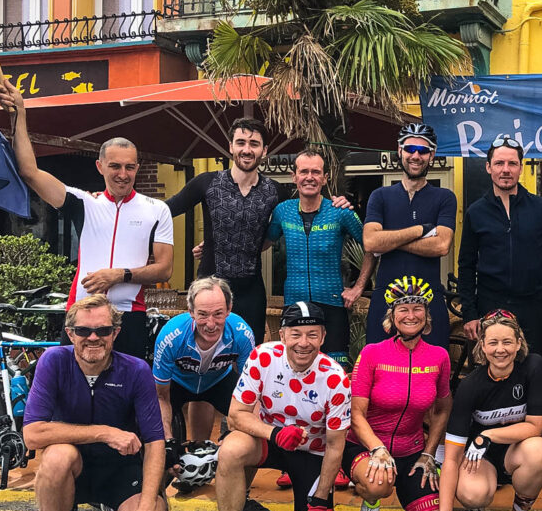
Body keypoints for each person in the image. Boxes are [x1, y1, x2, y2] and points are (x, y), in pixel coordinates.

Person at [0, 80, 173, 361]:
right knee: (72, 396)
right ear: (100, 166)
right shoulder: (85, 203)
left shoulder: (156, 209)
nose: (123, 174)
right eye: (115, 166)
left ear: (138, 167)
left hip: (129, 315)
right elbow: (30, 172)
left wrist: (120, 275)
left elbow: (164, 269)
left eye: (130, 167)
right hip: (82, 311)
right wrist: (19, 113)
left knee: (124, 399)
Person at [188, 302, 351, 511]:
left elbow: (335, 446)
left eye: (312, 335)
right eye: (296, 335)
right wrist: (275, 433)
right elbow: (237, 414)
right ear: (283, 335)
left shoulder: (336, 379)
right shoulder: (262, 357)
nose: (304, 343)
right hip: (270, 441)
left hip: (312, 453)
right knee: (230, 449)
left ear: (323, 337)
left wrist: (321, 500)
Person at [23, 295, 168, 511]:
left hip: (119, 467)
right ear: (69, 333)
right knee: (55, 457)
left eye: (103, 331)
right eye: (83, 331)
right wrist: (104, 432)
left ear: (115, 333)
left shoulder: (136, 369)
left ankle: (113, 508)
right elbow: (32, 434)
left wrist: (145, 509)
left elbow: (155, 442)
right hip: (73, 467)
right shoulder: (53, 361)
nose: (93, 338)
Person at [171, 122, 356, 342]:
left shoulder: (275, 191)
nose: (247, 150)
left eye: (254, 144)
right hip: (210, 287)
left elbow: (305, 210)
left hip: (251, 291)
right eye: (241, 143)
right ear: (231, 146)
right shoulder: (207, 183)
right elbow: (165, 210)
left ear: (264, 150)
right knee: (205, 349)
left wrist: (337, 202)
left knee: (251, 354)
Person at [457, 136, 542, 488]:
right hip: (490, 307)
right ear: (488, 168)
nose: (506, 169)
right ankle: (484, 455)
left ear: (522, 168)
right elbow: (466, 263)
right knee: (488, 384)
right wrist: (471, 312)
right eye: (499, 163)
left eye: (512, 163)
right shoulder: (475, 211)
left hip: (534, 305)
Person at [344, 276, 452, 511]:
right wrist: (378, 450)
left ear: (427, 316)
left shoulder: (439, 357)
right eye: (403, 309)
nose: (411, 315)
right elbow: (356, 414)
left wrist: (429, 452)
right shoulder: (372, 353)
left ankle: (406, 489)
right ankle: (371, 503)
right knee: (379, 482)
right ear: (392, 316)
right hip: (366, 448)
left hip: (410, 452)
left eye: (418, 309)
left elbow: (443, 408)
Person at [433, 310, 542, 511]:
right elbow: (452, 458)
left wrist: (488, 436)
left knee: (539, 450)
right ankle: (474, 509)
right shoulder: (470, 386)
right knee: (473, 494)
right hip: (480, 458)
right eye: (493, 343)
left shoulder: (533, 366)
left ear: (519, 343)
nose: (501, 349)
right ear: (482, 346)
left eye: (507, 342)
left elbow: (535, 426)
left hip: (514, 450)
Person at [151, 277, 263, 511]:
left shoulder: (242, 333)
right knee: (159, 441)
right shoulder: (171, 335)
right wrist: (169, 441)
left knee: (253, 430)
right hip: (178, 384)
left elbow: (252, 394)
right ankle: (154, 498)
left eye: (218, 314)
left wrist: (238, 433)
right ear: (190, 311)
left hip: (218, 380)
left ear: (230, 309)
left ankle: (241, 496)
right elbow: (160, 397)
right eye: (202, 315)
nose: (211, 324)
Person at [267, 150, 375, 368]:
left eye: (316, 172)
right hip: (294, 302)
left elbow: (372, 247)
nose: (309, 177)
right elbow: (263, 243)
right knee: (293, 369)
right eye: (304, 171)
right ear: (294, 176)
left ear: (325, 178)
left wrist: (358, 287)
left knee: (335, 371)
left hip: (332, 303)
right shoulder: (282, 211)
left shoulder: (340, 211)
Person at [363, 124, 457, 349]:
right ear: (400, 151)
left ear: (432, 155)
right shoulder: (380, 196)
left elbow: (442, 245)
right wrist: (421, 230)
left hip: (429, 300)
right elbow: (370, 242)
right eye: (410, 149)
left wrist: (390, 241)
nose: (416, 155)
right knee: (381, 372)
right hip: (385, 299)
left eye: (423, 151)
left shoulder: (444, 197)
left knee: (430, 374)